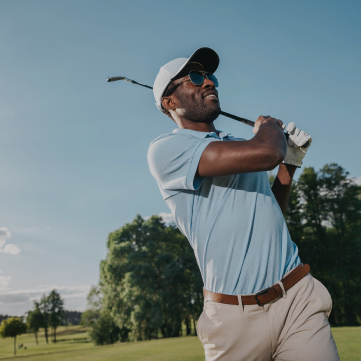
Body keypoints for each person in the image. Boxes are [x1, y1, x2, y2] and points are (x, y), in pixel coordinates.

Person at [147, 47, 340, 361]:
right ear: (169, 102)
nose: (209, 82)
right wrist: (269, 128)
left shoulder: (239, 146)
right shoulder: (167, 149)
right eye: (195, 77)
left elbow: (269, 214)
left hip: (296, 299)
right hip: (233, 318)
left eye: (210, 76)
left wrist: (288, 167)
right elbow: (267, 152)